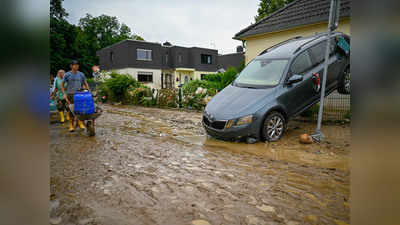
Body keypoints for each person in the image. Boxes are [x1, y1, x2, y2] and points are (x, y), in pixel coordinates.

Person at [61, 60, 89, 132]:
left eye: (77, 65)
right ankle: (71, 125)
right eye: (75, 65)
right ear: (71, 66)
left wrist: (88, 91)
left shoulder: (81, 74)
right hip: (70, 94)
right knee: (71, 111)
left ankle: (80, 123)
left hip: (80, 94)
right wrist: (64, 94)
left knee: (80, 109)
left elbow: (85, 83)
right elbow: (62, 85)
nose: (76, 66)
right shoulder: (67, 74)